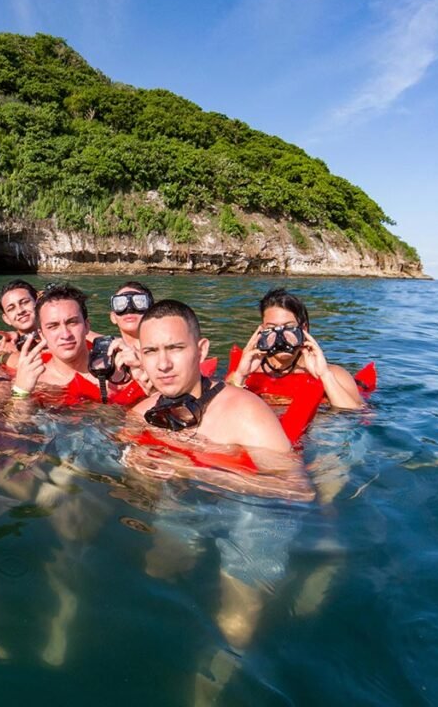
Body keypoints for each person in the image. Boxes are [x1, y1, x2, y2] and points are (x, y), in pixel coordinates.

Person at [124, 300, 312, 702]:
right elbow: (128, 480)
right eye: (152, 352)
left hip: (258, 512)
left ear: (202, 350)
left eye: (175, 348)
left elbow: (297, 491)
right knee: (158, 569)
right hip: (190, 501)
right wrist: (137, 470)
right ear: (140, 357)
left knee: (235, 623)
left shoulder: (245, 413)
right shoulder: (140, 414)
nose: (164, 364)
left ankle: (204, 692)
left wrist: (192, 470)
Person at [226, 288, 365, 409]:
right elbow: (220, 412)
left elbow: (354, 417)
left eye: (289, 327)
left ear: (303, 329)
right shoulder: (244, 373)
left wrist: (324, 375)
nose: (280, 336)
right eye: (271, 328)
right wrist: (241, 375)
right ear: (261, 331)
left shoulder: (334, 374)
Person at [11, 284, 142, 406]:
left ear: (86, 326)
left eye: (72, 322)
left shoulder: (123, 370)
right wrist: (20, 393)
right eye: (53, 326)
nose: (65, 334)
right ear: (42, 334)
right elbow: (14, 426)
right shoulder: (31, 380)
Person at [0, 279, 38, 370]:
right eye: (11, 309)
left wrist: (7, 357)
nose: (20, 311)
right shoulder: (4, 347)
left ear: (38, 303)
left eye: (25, 302)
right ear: (6, 319)